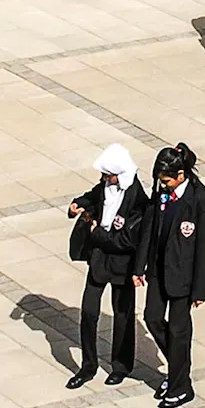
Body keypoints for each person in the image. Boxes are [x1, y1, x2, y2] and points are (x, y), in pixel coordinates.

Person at [140, 144, 205, 408]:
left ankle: (180, 386)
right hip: (158, 270)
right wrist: (140, 267)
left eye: (167, 180)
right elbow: (150, 229)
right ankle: (178, 371)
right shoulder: (162, 193)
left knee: (178, 330)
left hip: (183, 277)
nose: (163, 185)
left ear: (181, 175)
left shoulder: (201, 199)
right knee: (152, 317)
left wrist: (200, 289)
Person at [66, 143, 147, 388]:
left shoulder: (137, 198)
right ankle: (88, 365)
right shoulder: (105, 187)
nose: (104, 179)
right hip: (100, 258)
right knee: (89, 312)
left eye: (107, 175)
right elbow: (93, 196)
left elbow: (128, 239)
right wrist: (78, 203)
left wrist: (97, 234)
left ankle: (120, 366)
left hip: (123, 263)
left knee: (122, 315)